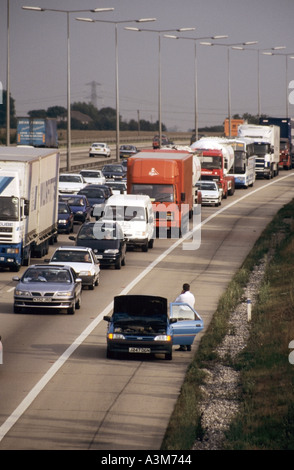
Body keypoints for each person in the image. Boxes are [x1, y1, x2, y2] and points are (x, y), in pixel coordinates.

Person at [174, 283, 195, 351]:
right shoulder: (192, 296)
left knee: (181, 330)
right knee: (189, 331)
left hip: (183, 314)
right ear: (189, 288)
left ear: (183, 289)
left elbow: (175, 303)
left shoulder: (181, 296)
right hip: (191, 314)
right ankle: (189, 346)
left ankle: (183, 346)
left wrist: (181, 294)